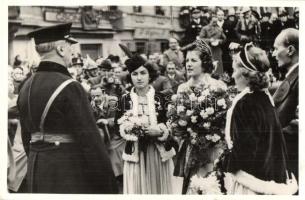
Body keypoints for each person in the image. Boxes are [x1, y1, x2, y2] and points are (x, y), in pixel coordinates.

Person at [17, 22, 117, 193]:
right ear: (61, 49)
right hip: (67, 172)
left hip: (37, 168)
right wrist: (108, 185)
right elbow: (90, 142)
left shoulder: (25, 86)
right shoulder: (70, 86)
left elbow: (27, 137)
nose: (72, 52)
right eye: (70, 46)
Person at [223, 42, 297, 195]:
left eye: (234, 70)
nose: (232, 75)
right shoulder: (264, 97)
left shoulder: (245, 103)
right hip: (272, 178)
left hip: (252, 184)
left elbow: (244, 153)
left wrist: (225, 162)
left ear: (245, 74)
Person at [115, 53, 176, 194]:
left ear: (150, 75)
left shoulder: (162, 98)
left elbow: (172, 123)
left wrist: (161, 131)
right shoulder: (124, 100)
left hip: (158, 153)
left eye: (143, 73)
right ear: (130, 77)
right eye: (135, 74)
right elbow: (118, 128)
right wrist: (129, 128)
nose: (139, 77)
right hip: (135, 153)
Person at [174, 39, 227, 194]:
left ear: (204, 62)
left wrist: (213, 135)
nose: (188, 64)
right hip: (192, 146)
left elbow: (225, 120)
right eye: (187, 61)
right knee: (193, 187)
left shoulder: (218, 86)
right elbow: (177, 120)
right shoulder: (182, 88)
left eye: (193, 60)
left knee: (213, 185)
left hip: (214, 147)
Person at [272, 28, 299, 182]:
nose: (273, 54)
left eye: (276, 49)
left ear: (290, 50)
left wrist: (269, 135)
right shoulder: (293, 76)